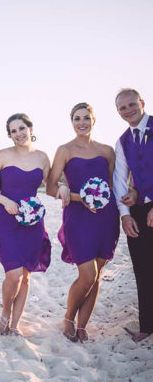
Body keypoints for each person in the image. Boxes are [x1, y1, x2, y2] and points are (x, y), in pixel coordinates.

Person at [46, 103, 119, 342]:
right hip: (78, 216)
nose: (82, 122)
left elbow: (112, 186)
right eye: (77, 118)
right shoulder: (64, 150)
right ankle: (68, 317)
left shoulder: (107, 151)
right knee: (87, 274)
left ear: (94, 120)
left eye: (86, 118)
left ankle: (82, 325)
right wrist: (74, 194)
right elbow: (50, 186)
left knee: (97, 275)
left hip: (106, 217)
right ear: (72, 122)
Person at [0, 113, 51, 337]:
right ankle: (4, 314)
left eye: (21, 128)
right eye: (13, 131)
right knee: (13, 274)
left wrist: (65, 188)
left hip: (32, 221)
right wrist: (5, 200)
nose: (18, 134)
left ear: (30, 128)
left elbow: (50, 186)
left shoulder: (42, 157)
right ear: (9, 135)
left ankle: (15, 324)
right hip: (5, 219)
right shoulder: (3, 155)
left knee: (26, 275)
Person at [113, 88, 153, 342]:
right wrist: (125, 215)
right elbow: (119, 179)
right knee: (143, 269)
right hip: (138, 210)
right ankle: (147, 325)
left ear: (142, 102)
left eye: (131, 104)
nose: (128, 110)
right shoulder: (122, 141)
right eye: (122, 108)